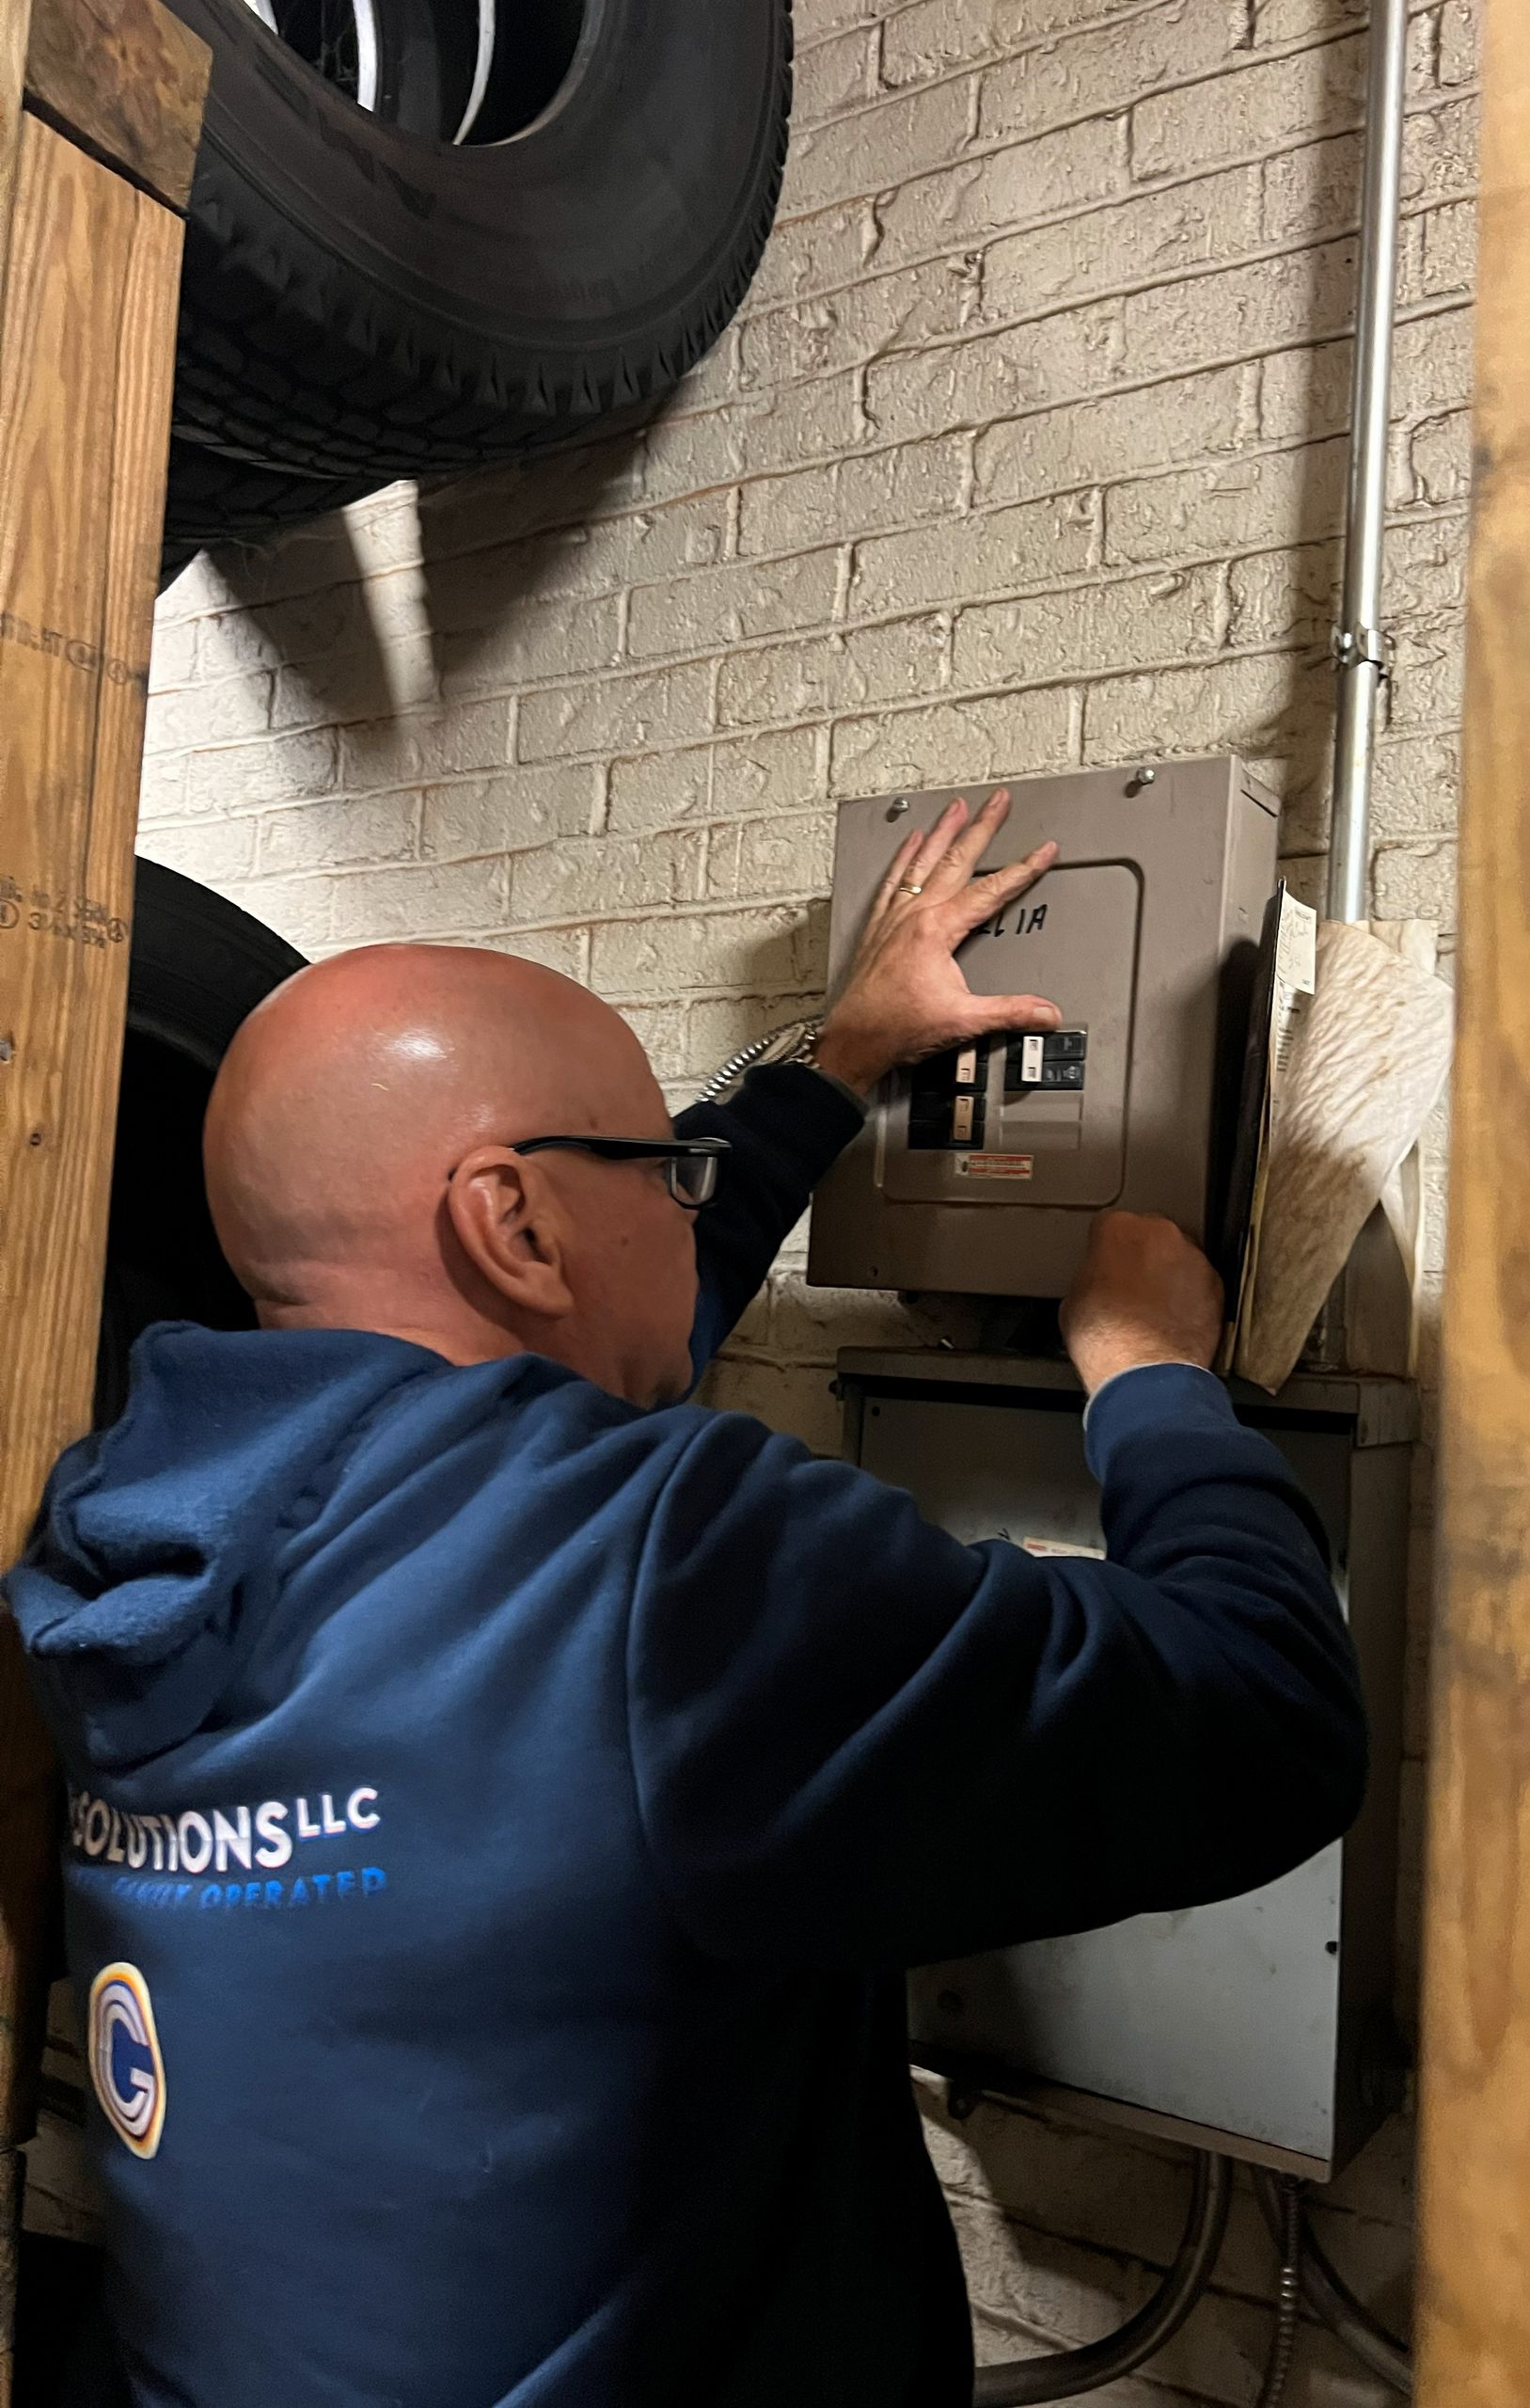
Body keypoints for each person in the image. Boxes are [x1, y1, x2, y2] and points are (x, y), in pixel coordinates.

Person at [8, 790, 1365, 2408]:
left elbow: (558, 1365)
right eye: (669, 1171)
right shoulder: (663, 1569)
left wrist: (841, 1064)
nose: (690, 1205)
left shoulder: (116, 1522)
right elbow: (1262, 1712)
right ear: (512, 1220)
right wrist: (1153, 1381)